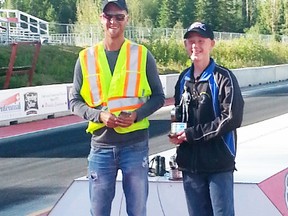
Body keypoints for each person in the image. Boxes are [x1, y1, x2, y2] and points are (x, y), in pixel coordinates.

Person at [69, 0, 165, 215]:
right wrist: (99, 115)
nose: (113, 21)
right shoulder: (85, 58)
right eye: (108, 16)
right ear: (101, 19)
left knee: (137, 210)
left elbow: (159, 97)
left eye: (119, 16)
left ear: (126, 19)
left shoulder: (141, 54)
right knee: (99, 211)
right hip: (101, 146)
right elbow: (74, 101)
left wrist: (136, 115)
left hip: (135, 144)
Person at [169, 21, 244, 216]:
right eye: (191, 41)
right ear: (185, 45)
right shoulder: (182, 78)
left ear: (212, 44)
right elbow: (178, 114)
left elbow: (232, 117)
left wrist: (192, 134)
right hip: (190, 166)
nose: (196, 45)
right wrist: (177, 134)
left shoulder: (224, 77)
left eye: (201, 40)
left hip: (218, 164)